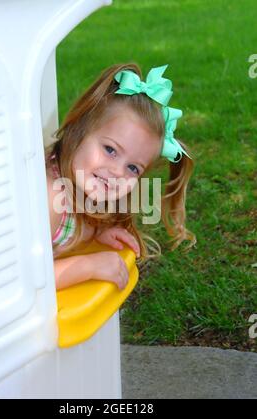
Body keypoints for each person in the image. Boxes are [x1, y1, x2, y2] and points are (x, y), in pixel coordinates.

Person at [45, 63, 196, 291]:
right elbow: (17, 283)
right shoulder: (49, 198)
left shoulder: (74, 186)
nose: (117, 171)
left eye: (133, 168)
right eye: (110, 149)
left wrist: (93, 232)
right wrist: (87, 265)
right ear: (79, 129)